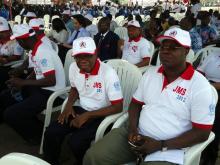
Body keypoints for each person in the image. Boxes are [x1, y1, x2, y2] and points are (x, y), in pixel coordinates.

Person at [83, 27, 216, 165]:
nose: (165, 51)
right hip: (137, 134)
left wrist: (160, 145)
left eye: (173, 47)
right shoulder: (151, 74)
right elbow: (135, 104)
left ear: (186, 51)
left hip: (170, 148)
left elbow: (202, 133)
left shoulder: (200, 86)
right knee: (93, 157)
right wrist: (133, 130)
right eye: (163, 46)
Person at [43, 37, 123, 165]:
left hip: (101, 115)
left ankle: (83, 162)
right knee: (52, 132)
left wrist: (87, 115)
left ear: (95, 53)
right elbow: (74, 88)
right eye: (78, 56)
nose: (83, 60)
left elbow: (118, 106)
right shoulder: (74, 68)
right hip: (80, 108)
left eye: (87, 55)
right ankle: (51, 162)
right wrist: (69, 105)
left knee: (76, 142)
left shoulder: (108, 73)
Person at [0, 24, 65, 143]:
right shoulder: (35, 50)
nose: (19, 44)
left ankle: (37, 136)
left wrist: (23, 82)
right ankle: (35, 126)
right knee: (6, 96)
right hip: (42, 88)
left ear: (23, 40)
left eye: (18, 41)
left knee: (10, 114)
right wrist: (20, 83)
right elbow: (37, 71)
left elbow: (51, 80)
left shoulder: (42, 51)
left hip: (52, 92)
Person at [197, 49, 220, 165]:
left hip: (214, 90)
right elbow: (199, 71)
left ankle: (210, 156)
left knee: (214, 123)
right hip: (205, 87)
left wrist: (207, 86)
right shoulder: (213, 54)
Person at [0, 17, 24, 91]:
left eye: (2, 32)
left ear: (9, 31)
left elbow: (17, 56)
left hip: (9, 65)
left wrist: (6, 59)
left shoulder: (16, 41)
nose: (0, 34)